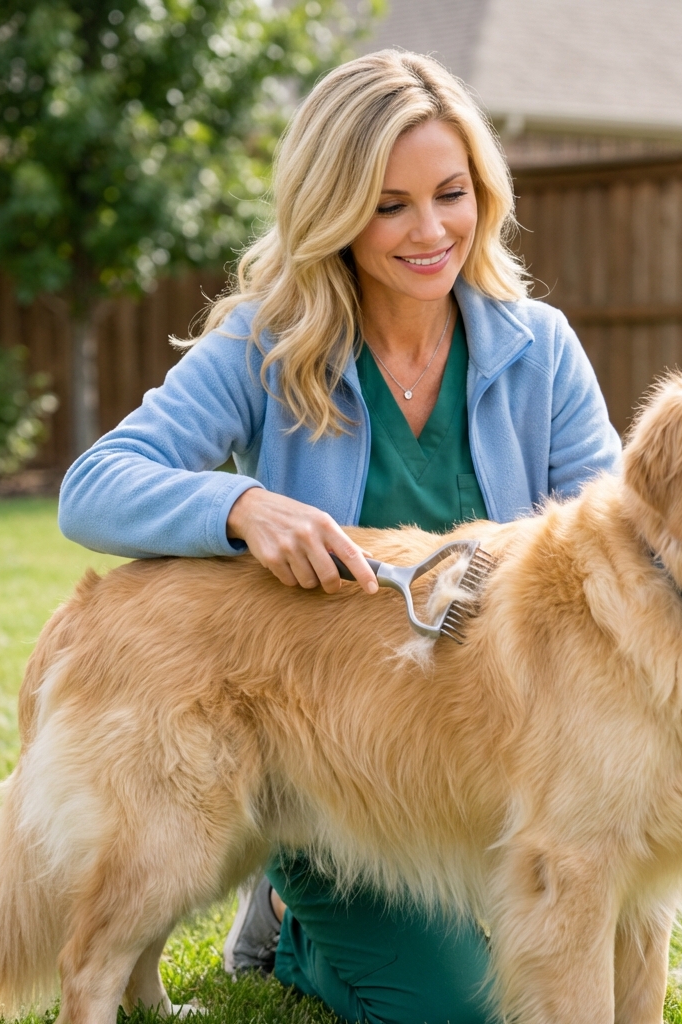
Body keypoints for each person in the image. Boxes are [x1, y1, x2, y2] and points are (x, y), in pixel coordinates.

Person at [59, 50, 621, 1024]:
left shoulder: (541, 348)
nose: (431, 229)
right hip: (337, 777)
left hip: (502, 767)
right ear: (332, 208)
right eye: (388, 203)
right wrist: (237, 508)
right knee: (464, 1012)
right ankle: (285, 918)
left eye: (451, 193)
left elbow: (616, 545)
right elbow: (91, 487)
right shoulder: (265, 342)